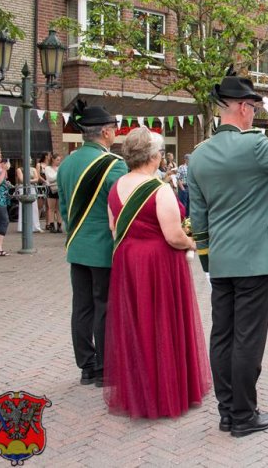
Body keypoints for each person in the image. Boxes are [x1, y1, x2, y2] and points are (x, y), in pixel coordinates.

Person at [187, 75, 268, 437]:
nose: (255, 115)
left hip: (220, 260)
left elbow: (198, 218)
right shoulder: (255, 146)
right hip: (255, 258)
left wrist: (208, 263)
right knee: (248, 338)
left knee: (223, 336)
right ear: (243, 107)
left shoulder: (198, 155)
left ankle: (228, 411)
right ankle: (244, 415)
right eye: (254, 108)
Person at [104, 127, 210, 419]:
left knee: (138, 325)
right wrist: (193, 242)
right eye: (161, 152)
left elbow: (114, 228)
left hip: (127, 261)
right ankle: (165, 392)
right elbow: (173, 236)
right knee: (162, 323)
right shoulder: (158, 189)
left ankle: (138, 391)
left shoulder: (116, 186)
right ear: (152, 156)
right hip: (158, 264)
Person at [58, 101, 129, 387]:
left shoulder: (67, 163)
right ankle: (104, 367)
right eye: (113, 128)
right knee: (105, 306)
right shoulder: (113, 164)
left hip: (77, 245)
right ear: (106, 132)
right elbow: (123, 206)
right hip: (103, 248)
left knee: (82, 307)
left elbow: (64, 208)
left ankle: (86, 366)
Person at [16, 158, 44, 233]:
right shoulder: (19, 169)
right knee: (23, 206)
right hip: (23, 188)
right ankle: (23, 226)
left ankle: (35, 226)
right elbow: (21, 180)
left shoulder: (33, 169)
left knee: (34, 207)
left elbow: (37, 179)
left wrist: (29, 181)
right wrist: (31, 180)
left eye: (30, 159)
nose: (30, 161)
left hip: (32, 188)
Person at [44, 153, 63, 233]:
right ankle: (51, 225)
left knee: (59, 208)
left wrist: (56, 177)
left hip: (59, 189)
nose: (59, 161)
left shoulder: (60, 168)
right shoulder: (48, 168)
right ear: (53, 160)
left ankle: (59, 225)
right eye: (57, 160)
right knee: (51, 208)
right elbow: (50, 178)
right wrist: (58, 175)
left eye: (60, 160)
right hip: (51, 189)